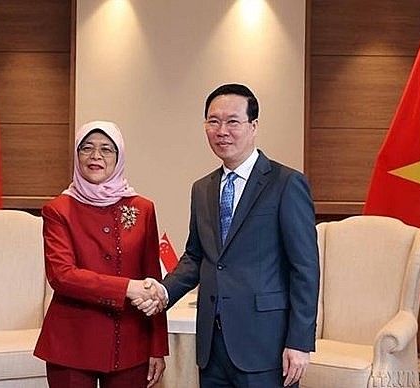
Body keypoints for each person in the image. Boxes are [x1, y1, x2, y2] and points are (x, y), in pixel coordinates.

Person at [136, 84, 320, 387]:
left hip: (266, 343)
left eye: (232, 121)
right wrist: (163, 292)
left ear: (253, 126)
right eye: (213, 121)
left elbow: (305, 268)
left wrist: (299, 342)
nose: (222, 130)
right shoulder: (202, 188)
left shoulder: (286, 183)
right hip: (212, 343)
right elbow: (197, 256)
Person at [34, 120, 168, 388]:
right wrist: (127, 287)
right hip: (72, 343)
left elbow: (153, 280)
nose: (96, 156)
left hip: (131, 341)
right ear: (77, 155)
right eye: (87, 148)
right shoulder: (58, 209)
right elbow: (62, 276)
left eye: (107, 149)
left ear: (119, 158)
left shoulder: (143, 209)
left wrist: (157, 347)